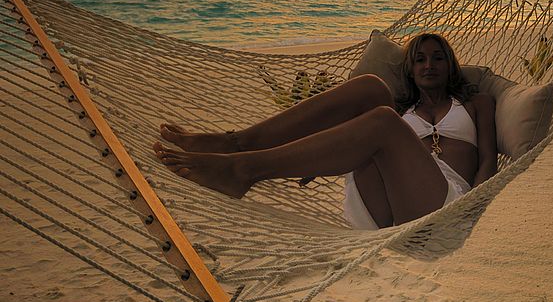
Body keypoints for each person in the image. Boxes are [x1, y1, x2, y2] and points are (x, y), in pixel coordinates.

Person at [153, 33, 497, 229]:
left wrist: (472, 207)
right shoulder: (401, 109)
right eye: (419, 59)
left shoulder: (477, 102)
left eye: (437, 58)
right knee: (371, 89)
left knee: (383, 120)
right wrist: (318, 156)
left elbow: (487, 162)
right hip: (383, 203)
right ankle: (235, 143)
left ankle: (245, 168)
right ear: (409, 69)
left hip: (443, 207)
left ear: (450, 64)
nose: (428, 65)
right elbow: (361, 141)